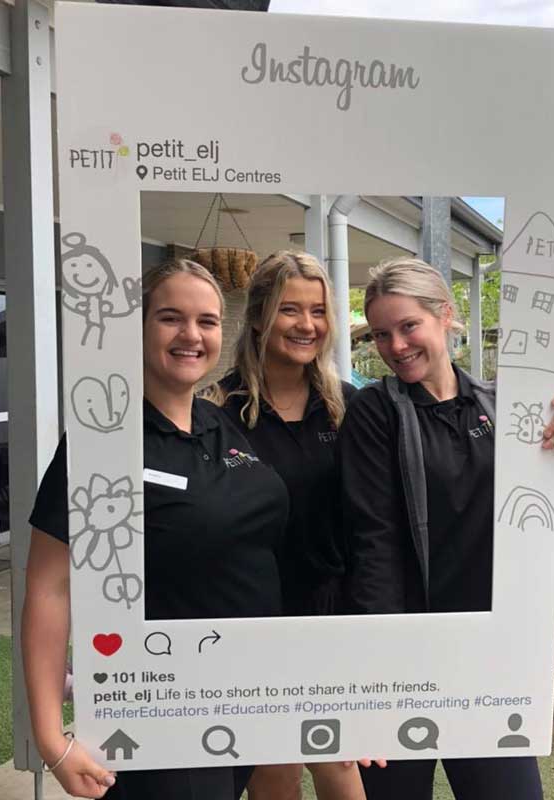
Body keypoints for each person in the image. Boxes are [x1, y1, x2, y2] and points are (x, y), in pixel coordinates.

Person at [22, 259, 288, 800]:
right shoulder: (103, 443)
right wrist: (52, 739)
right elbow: (50, 588)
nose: (192, 335)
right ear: (139, 327)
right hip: (160, 704)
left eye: (207, 321)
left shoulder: (222, 423)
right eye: (171, 318)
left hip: (241, 694)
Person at [339, 257, 554, 800]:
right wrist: (378, 673)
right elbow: (374, 542)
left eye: (409, 326)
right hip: (408, 653)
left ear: (445, 316)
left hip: (490, 653)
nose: (396, 345)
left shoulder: (502, 404)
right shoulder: (375, 411)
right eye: (382, 334)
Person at [211, 250, 365, 800]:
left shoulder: (348, 407)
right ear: (258, 316)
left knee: (339, 761)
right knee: (273, 767)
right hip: (254, 614)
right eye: (289, 310)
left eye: (319, 311)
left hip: (334, 610)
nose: (307, 325)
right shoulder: (218, 412)